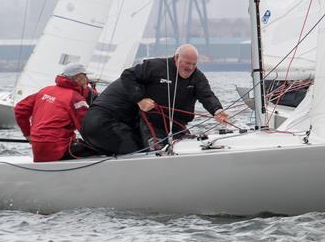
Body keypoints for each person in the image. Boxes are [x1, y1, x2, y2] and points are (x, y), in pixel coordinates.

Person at [81, 44, 228, 155]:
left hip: (171, 124)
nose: (190, 68)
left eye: (194, 64)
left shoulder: (197, 77)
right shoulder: (155, 67)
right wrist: (140, 100)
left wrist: (217, 110)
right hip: (115, 122)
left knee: (179, 144)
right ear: (176, 58)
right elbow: (128, 75)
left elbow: (206, 95)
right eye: (187, 63)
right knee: (146, 149)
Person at [14, 62, 96, 162]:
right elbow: (87, 128)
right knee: (100, 148)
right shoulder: (75, 98)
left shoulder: (46, 90)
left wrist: (28, 134)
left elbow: (20, 109)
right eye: (85, 76)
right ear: (77, 78)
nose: (87, 80)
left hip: (38, 148)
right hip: (58, 149)